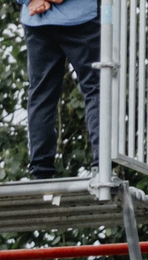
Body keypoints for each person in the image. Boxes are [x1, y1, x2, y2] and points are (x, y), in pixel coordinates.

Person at [24, 0, 102, 181]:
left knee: (41, 94)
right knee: (96, 89)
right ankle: (102, 164)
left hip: (38, 18)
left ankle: (40, 170)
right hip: (81, 16)